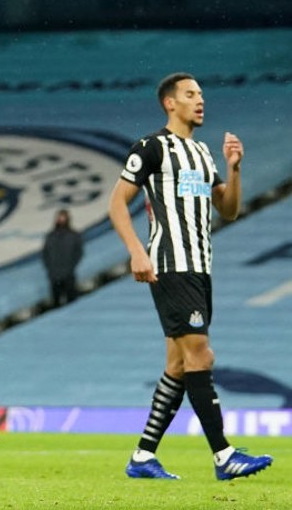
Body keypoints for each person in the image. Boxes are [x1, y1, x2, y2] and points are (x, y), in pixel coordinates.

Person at [109, 72, 274, 481]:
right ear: (170, 103)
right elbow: (116, 202)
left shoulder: (201, 153)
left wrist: (234, 170)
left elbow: (229, 210)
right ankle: (223, 455)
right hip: (171, 264)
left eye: (201, 94)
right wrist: (136, 251)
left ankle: (143, 456)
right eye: (190, 94)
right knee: (201, 354)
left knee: (180, 364)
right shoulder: (151, 148)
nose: (200, 100)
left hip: (200, 266)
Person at [41, 209, 84, 306]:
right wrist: (49, 267)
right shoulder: (50, 236)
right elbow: (45, 253)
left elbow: (79, 252)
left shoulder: (74, 235)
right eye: (59, 217)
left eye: (63, 217)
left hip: (68, 273)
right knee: (56, 303)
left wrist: (71, 266)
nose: (61, 220)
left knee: (72, 301)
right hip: (54, 275)